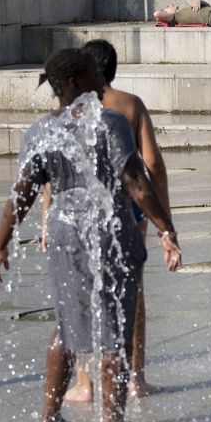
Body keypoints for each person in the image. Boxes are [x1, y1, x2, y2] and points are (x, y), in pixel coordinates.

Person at [0, 49, 183, 422]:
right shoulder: (109, 122)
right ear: (75, 83)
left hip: (63, 232)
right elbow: (135, 181)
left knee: (65, 325)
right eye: (94, 74)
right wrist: (166, 227)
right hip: (108, 230)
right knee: (115, 328)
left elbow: (22, 194)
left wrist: (0, 243)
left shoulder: (40, 130)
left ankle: (49, 421)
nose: (101, 82)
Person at [79, 39, 170, 399]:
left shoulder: (75, 109)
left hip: (86, 208)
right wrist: (164, 215)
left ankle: (86, 384)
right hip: (131, 206)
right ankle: (136, 379)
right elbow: (154, 164)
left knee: (87, 290)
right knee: (132, 288)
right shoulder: (131, 105)